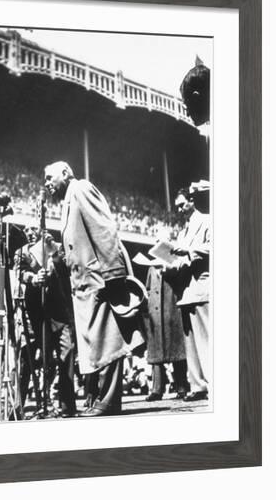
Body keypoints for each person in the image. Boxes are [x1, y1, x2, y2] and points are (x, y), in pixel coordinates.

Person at [44, 161, 145, 416]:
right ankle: (99, 398)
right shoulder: (68, 200)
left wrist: (113, 276)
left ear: (65, 173)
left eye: (49, 177)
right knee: (97, 344)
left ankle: (109, 401)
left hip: (99, 280)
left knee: (109, 341)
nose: (46, 183)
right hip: (83, 285)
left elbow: (104, 229)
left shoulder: (80, 189)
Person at [14, 221, 77, 417]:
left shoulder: (56, 246)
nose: (29, 232)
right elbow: (19, 272)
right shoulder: (22, 251)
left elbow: (68, 269)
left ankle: (67, 406)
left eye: (33, 228)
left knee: (67, 355)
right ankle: (26, 404)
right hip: (36, 314)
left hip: (60, 312)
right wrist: (33, 279)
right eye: (26, 229)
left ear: (42, 228)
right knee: (33, 359)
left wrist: (53, 255)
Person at [170, 184, 210, 401]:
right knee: (191, 343)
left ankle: (213, 382)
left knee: (205, 340)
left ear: (192, 201)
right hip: (185, 290)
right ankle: (198, 385)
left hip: (201, 285)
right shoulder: (183, 230)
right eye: (176, 207)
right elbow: (181, 260)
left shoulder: (207, 220)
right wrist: (168, 264)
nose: (179, 210)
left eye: (182, 205)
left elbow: (215, 247)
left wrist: (189, 250)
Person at [141, 262, 189, 401]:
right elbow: (148, 289)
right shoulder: (151, 268)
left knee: (177, 350)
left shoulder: (175, 265)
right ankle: (157, 389)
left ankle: (182, 387)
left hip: (171, 312)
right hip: (154, 315)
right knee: (155, 354)